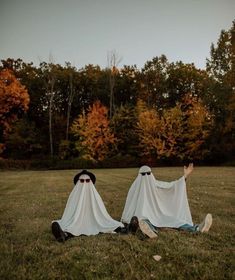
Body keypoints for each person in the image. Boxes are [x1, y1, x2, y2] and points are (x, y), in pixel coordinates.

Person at [121, 164, 212, 239]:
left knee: (175, 221)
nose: (146, 177)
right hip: (142, 217)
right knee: (143, 221)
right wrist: (126, 219)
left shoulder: (155, 184)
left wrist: (185, 176)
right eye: (143, 174)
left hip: (159, 215)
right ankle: (151, 231)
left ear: (151, 174)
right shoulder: (134, 189)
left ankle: (197, 228)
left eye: (148, 174)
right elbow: (130, 206)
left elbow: (171, 186)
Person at [51, 169, 124, 242]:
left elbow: (101, 213)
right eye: (82, 181)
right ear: (79, 182)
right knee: (71, 227)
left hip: (95, 221)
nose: (85, 183)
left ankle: (125, 230)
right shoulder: (74, 196)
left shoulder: (95, 196)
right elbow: (70, 212)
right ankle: (63, 235)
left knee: (108, 224)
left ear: (91, 182)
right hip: (76, 223)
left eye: (88, 181)